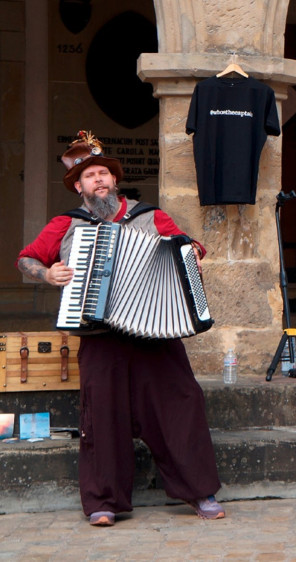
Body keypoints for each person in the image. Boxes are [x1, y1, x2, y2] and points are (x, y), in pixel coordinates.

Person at [17, 132, 225, 527]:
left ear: (115, 181)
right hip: (99, 335)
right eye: (90, 176)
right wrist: (48, 273)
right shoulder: (66, 224)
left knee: (182, 403)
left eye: (104, 174)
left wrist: (193, 253)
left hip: (155, 332)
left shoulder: (149, 216)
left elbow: (187, 245)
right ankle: (103, 501)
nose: (99, 180)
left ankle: (200, 492)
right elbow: (26, 259)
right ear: (78, 186)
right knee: (102, 415)